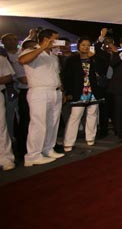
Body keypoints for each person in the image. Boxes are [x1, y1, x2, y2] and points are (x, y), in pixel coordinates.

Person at [18, 29, 65, 166]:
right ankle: (33, 155)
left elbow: (55, 73)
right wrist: (43, 48)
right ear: (46, 39)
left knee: (53, 122)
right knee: (39, 124)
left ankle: (48, 148)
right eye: (54, 39)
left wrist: (61, 90)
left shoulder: (53, 55)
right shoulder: (31, 51)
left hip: (54, 91)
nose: (56, 42)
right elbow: (22, 60)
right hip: (39, 92)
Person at [62, 37, 100, 151]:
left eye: (88, 45)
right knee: (75, 116)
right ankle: (69, 142)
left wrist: (94, 57)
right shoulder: (71, 59)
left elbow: (102, 70)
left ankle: (90, 137)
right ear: (78, 46)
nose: (86, 47)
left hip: (93, 91)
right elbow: (66, 76)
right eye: (83, 45)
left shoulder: (94, 58)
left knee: (92, 114)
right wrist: (68, 92)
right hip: (78, 91)